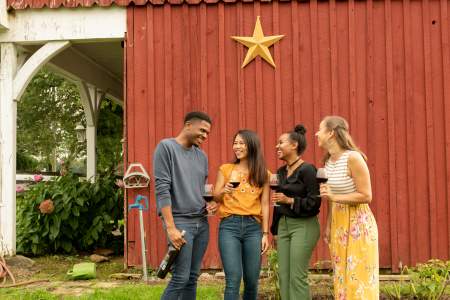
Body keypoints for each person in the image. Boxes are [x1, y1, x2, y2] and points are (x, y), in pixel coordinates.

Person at [153, 111, 217, 300]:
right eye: (202, 130)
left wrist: (209, 205)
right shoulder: (166, 148)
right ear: (188, 125)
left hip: (201, 222)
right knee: (180, 277)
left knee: (192, 277)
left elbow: (199, 189)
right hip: (180, 223)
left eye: (208, 133)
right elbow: (162, 189)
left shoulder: (202, 156)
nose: (205, 136)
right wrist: (171, 228)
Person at [316, 116, 379, 299]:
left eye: (320, 130)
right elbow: (331, 199)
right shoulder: (328, 161)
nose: (317, 134)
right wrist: (328, 224)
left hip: (358, 224)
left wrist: (334, 196)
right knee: (342, 278)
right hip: (339, 224)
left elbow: (366, 195)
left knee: (359, 279)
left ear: (331, 133)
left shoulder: (354, 158)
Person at [213, 130, 270, 300]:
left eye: (241, 143)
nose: (237, 146)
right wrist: (224, 190)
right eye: (235, 143)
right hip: (229, 226)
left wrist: (265, 233)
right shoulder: (226, 169)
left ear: (251, 146)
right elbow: (216, 196)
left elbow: (265, 204)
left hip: (254, 228)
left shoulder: (263, 173)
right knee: (233, 279)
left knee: (252, 281)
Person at [269, 124, 321, 300]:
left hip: (303, 226)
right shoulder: (280, 172)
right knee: (284, 276)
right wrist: (275, 230)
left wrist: (290, 200)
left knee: (297, 276)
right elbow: (277, 202)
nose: (277, 146)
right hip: (283, 226)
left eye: (281, 142)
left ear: (294, 145)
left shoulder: (308, 170)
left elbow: (315, 202)